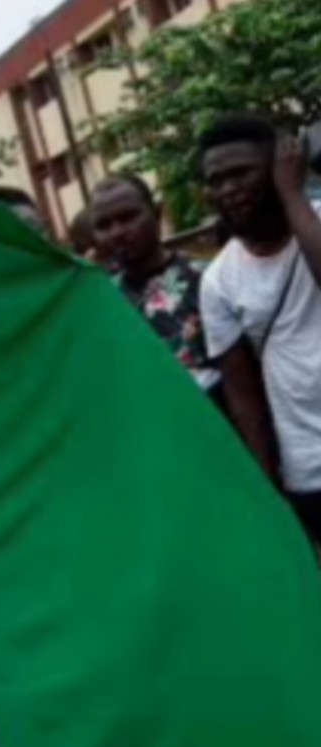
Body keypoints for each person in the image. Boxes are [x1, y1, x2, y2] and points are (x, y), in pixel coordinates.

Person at [197, 114, 321, 541]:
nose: (228, 189)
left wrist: (293, 196)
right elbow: (242, 395)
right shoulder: (218, 281)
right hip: (310, 469)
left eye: (241, 173)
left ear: (278, 166)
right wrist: (268, 492)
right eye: (216, 181)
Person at [90, 174, 221, 402]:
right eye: (104, 225)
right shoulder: (99, 302)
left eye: (128, 217)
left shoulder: (207, 279)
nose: (117, 232)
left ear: (157, 214)